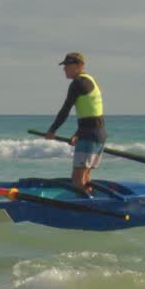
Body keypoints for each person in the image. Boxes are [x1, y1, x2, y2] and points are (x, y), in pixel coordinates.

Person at [43, 52, 105, 192]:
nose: (64, 69)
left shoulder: (78, 83)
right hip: (98, 134)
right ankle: (92, 201)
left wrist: (52, 130)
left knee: (77, 178)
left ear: (79, 66)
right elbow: (91, 114)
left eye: (68, 65)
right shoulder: (90, 80)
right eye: (64, 66)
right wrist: (78, 133)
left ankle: (86, 210)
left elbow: (65, 109)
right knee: (85, 177)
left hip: (90, 135)